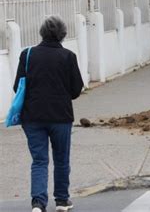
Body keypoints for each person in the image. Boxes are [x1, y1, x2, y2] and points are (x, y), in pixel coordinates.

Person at [13, 16, 84, 212]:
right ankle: (61, 201)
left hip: (32, 117)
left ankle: (38, 203)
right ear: (62, 35)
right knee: (61, 159)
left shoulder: (27, 55)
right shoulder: (68, 57)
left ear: (41, 33)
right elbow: (76, 89)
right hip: (60, 117)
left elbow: (17, 87)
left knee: (39, 160)